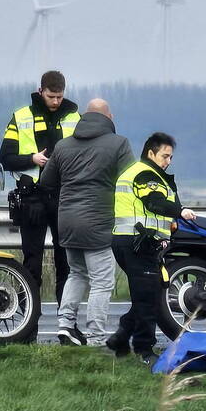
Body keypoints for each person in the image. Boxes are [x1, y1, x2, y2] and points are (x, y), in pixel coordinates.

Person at [39, 98, 134, 346]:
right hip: (99, 222)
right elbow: (133, 181)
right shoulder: (119, 144)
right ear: (109, 117)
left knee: (77, 273)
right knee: (102, 281)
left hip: (67, 221)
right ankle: (95, 336)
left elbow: (47, 182)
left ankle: (65, 324)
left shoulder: (63, 146)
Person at [106, 132, 197, 365]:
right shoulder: (146, 174)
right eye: (164, 156)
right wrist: (180, 211)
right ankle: (145, 351)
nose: (168, 162)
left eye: (170, 158)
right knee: (149, 300)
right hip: (138, 243)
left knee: (147, 295)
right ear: (151, 153)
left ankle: (120, 338)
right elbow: (154, 202)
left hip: (132, 242)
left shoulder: (143, 172)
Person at [0, 70, 80, 305]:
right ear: (40, 91)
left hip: (64, 197)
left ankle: (67, 324)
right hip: (32, 197)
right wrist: (31, 159)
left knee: (65, 262)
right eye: (51, 96)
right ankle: (28, 323)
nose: (55, 102)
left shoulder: (75, 117)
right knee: (32, 262)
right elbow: (5, 158)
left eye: (59, 97)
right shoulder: (21, 116)